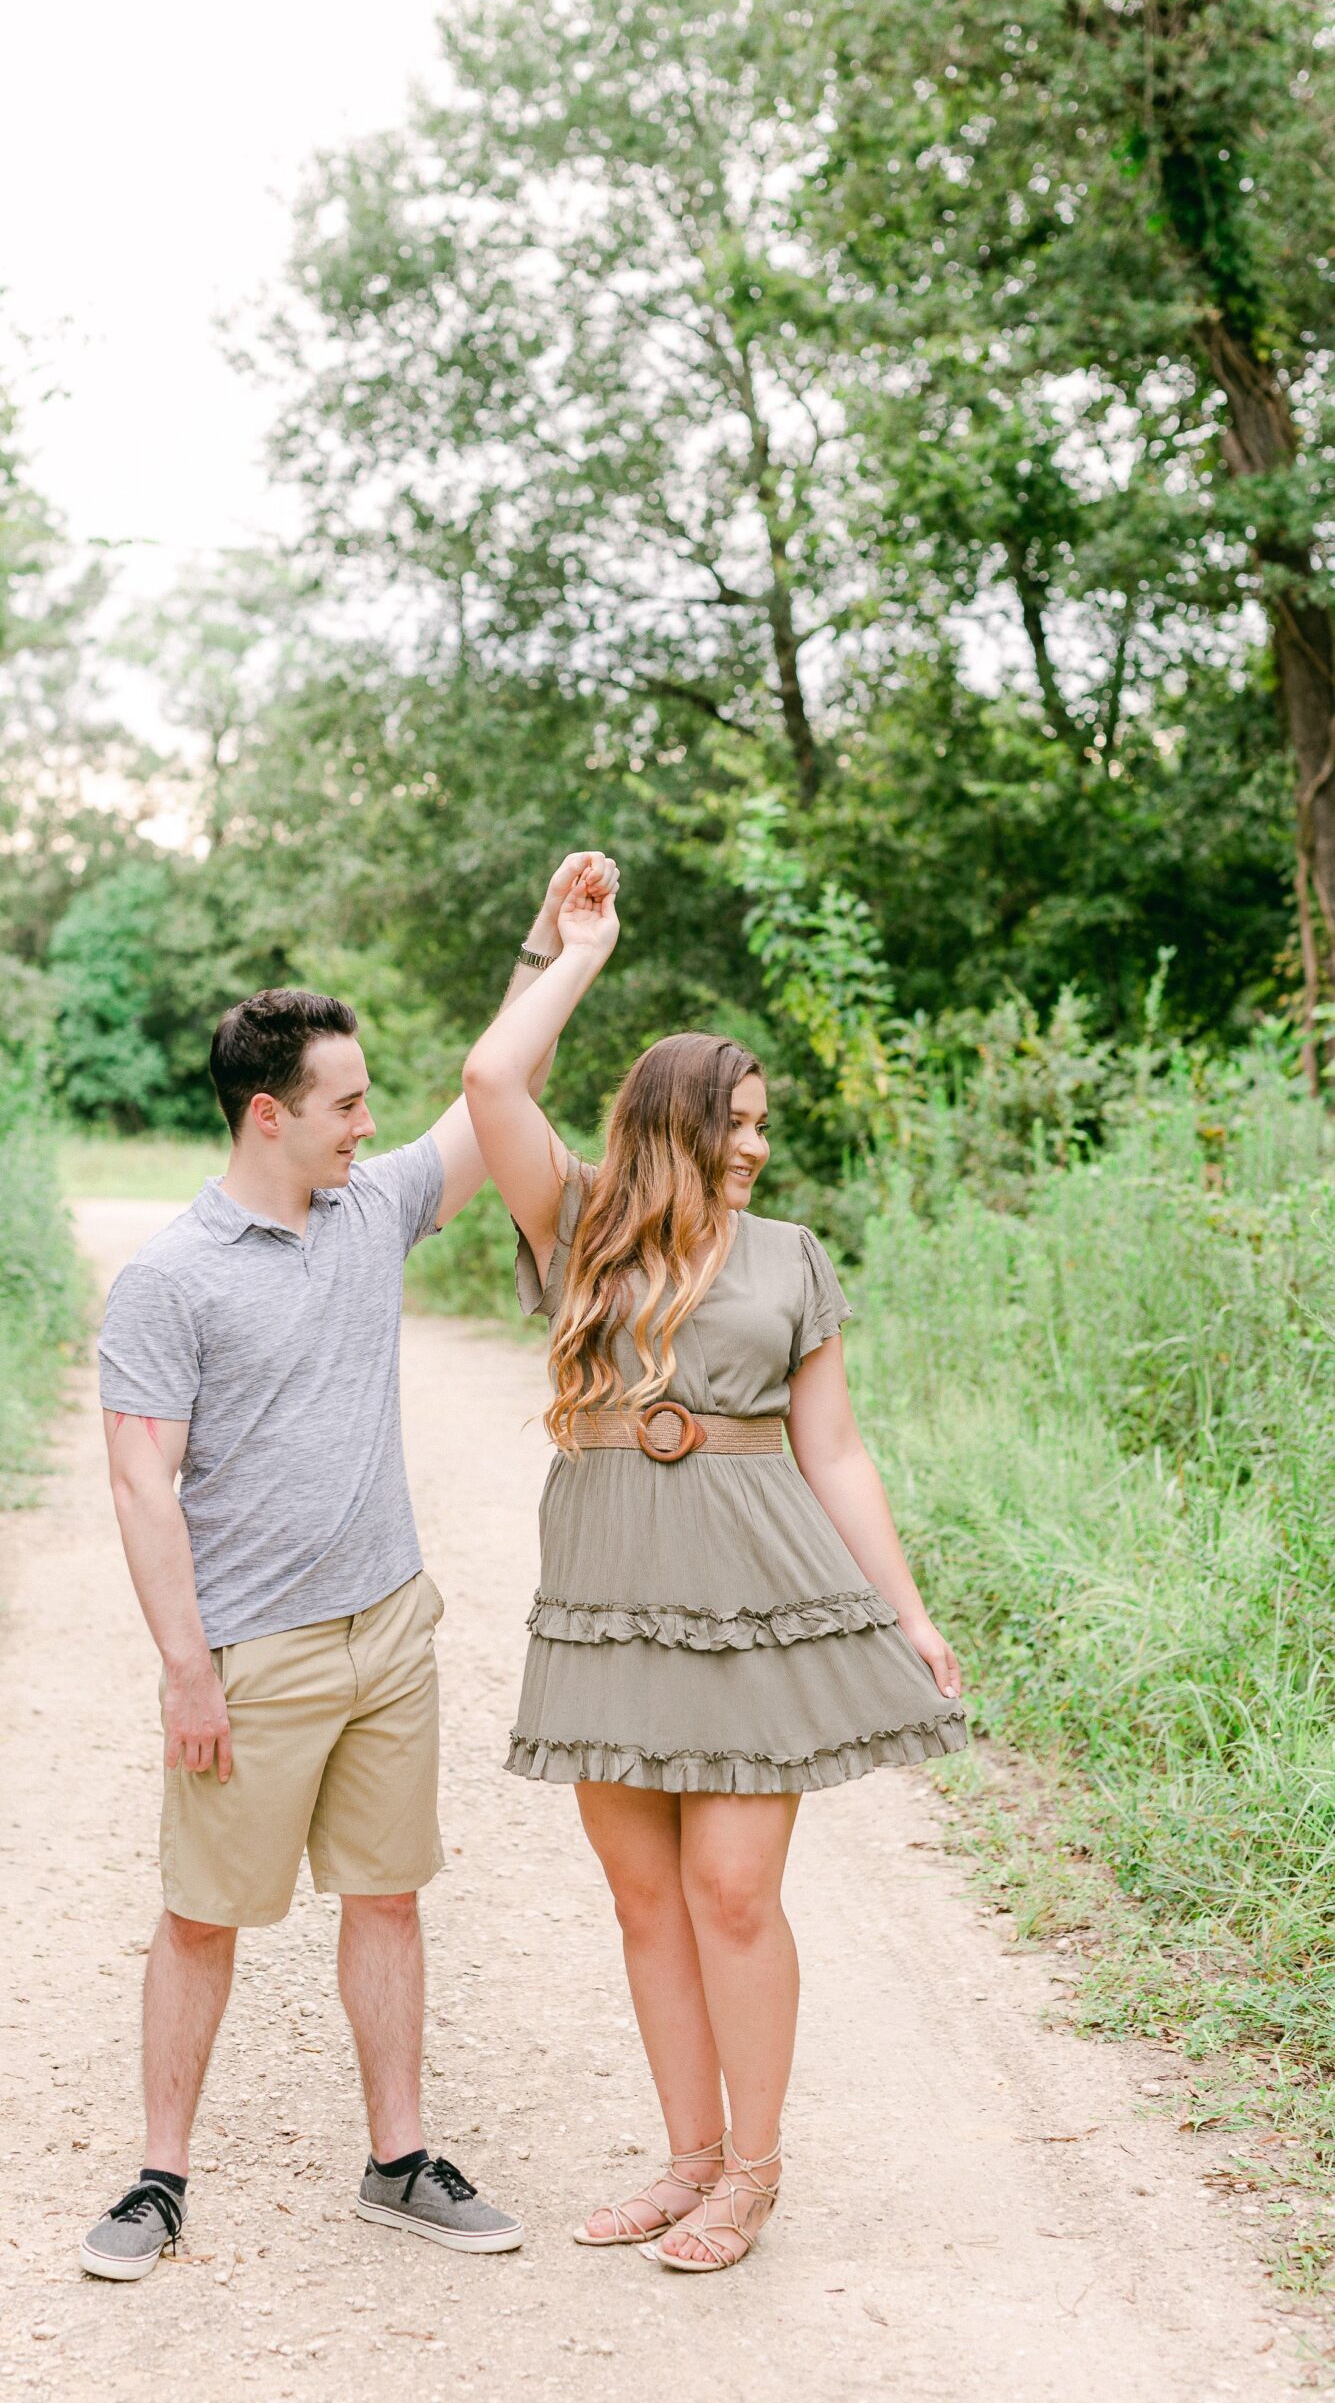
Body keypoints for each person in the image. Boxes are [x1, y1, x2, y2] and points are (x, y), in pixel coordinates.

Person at [79, 852, 618, 2281]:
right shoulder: (169, 1277)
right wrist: (187, 1670)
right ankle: (158, 2178)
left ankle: (398, 2159)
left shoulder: (372, 1209)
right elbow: (142, 1484)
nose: (369, 1125)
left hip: (390, 1627)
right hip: (252, 1658)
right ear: (270, 1115)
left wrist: (554, 941)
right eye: (344, 1105)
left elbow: (490, 1092)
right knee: (203, 1919)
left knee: (389, 1895)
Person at [460, 873, 967, 2275]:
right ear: (675, 1118)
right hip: (609, 1593)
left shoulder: (794, 1258)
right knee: (641, 1897)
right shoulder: (580, 1223)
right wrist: (576, 949)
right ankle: (685, 2159)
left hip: (755, 1594)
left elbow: (842, 1454)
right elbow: (493, 1072)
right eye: (735, 1123)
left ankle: (754, 2171)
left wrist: (909, 1613)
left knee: (733, 1891)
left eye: (761, 1127)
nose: (753, 1147)